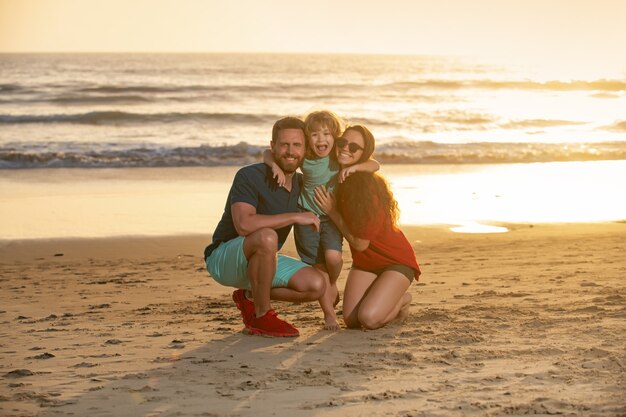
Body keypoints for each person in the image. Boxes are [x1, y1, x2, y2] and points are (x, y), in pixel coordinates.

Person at [204, 116, 326, 337]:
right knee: (267, 236)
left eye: (297, 145)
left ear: (305, 149)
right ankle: (262, 315)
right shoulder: (250, 175)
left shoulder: (301, 183)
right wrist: (295, 217)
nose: (290, 151)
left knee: (316, 285)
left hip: (263, 261)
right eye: (284, 144)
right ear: (273, 147)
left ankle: (249, 296)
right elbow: (244, 224)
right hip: (225, 257)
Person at [263, 110, 379, 330]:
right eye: (314, 135)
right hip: (306, 218)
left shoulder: (338, 157)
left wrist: (354, 167)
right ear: (308, 139)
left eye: (327, 134)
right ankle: (329, 315)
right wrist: (275, 166)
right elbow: (266, 154)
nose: (321, 139)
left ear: (335, 137)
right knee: (319, 269)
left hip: (330, 218)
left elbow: (375, 165)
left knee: (334, 259)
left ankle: (332, 284)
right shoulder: (305, 158)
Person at [314, 124, 421, 329]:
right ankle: (383, 297)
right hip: (366, 262)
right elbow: (374, 163)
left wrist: (332, 212)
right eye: (342, 142)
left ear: (363, 154)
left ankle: (402, 300)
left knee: (369, 319)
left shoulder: (364, 187)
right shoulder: (337, 172)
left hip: (395, 260)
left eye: (354, 147)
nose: (346, 148)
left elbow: (361, 243)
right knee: (352, 321)